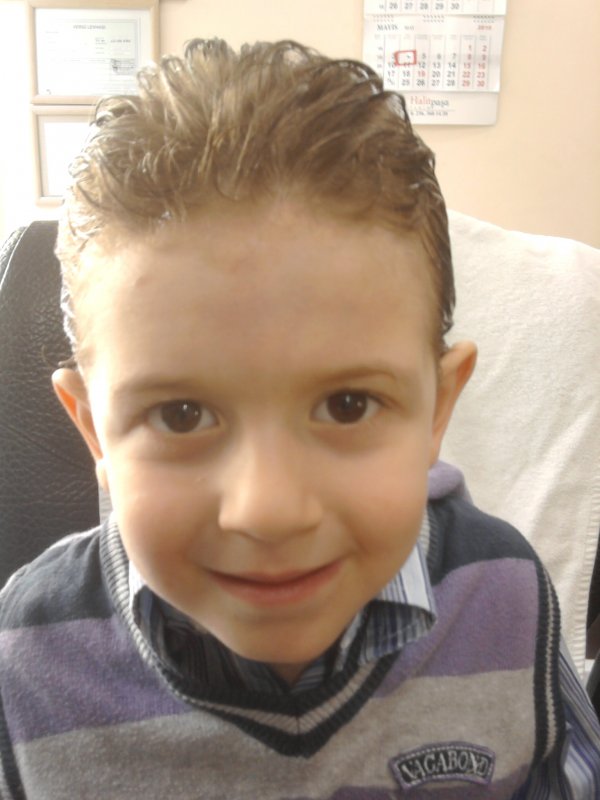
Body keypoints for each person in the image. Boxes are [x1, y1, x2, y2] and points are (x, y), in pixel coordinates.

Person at [0, 38, 598, 799]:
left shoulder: (504, 594)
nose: (269, 510)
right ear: (93, 432)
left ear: (437, 410)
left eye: (347, 405)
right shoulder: (25, 656)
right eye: (181, 415)